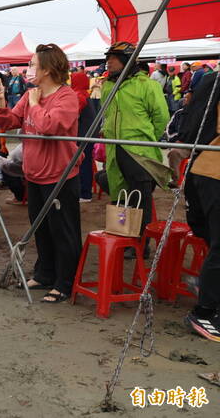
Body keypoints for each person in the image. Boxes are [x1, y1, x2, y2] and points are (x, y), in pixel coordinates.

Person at [0, 44, 82, 303]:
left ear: (47, 69)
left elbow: (48, 127)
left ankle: (64, 283)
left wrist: (34, 104)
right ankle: (44, 274)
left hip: (60, 175)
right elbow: (7, 122)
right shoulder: (31, 94)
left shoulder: (67, 97)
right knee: (40, 228)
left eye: (33, 65)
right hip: (33, 174)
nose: (29, 69)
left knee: (63, 231)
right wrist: (1, 100)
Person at [99, 42, 170, 257]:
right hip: (114, 149)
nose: (108, 61)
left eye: (114, 57)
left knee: (140, 198)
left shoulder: (147, 85)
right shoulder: (107, 86)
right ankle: (123, 235)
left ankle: (140, 243)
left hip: (139, 151)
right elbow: (107, 114)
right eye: (108, 57)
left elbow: (161, 117)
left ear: (127, 60)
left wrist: (144, 138)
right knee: (118, 194)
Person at [179, 70, 220, 342]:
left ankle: (208, 292)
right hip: (212, 171)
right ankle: (204, 312)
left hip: (206, 169)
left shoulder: (211, 80)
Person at [70, 71, 96, 202]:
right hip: (88, 135)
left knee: (83, 164)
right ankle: (85, 191)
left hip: (83, 136)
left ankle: (85, 193)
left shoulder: (79, 95)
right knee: (85, 163)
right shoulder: (84, 94)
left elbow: (72, 115)